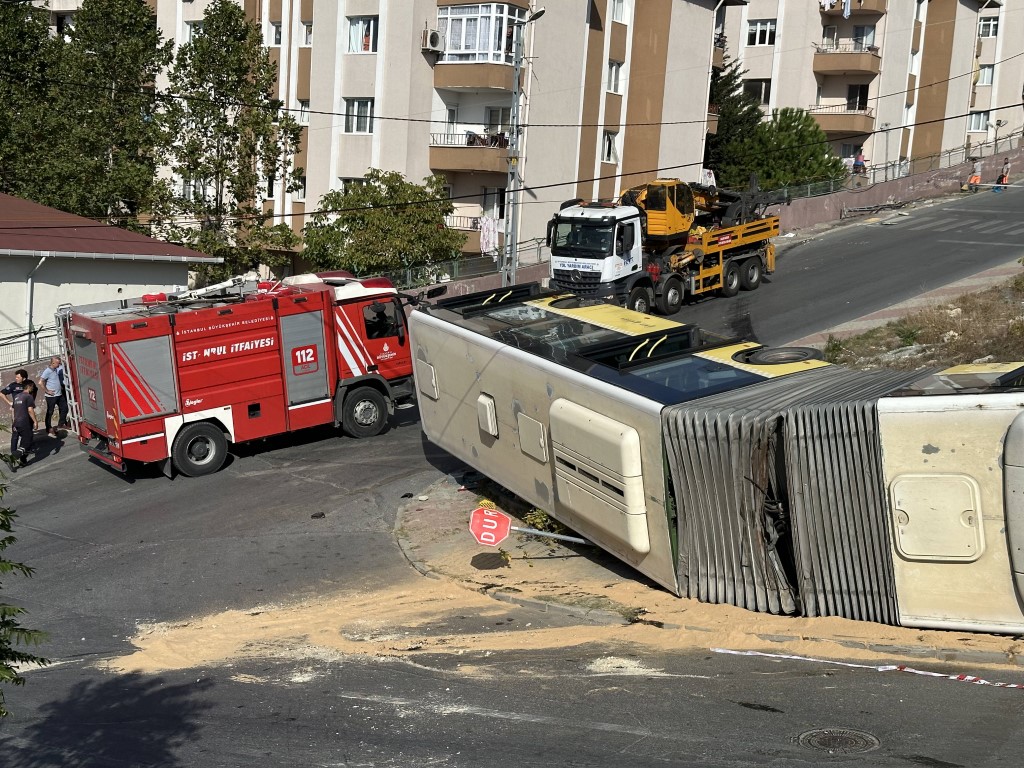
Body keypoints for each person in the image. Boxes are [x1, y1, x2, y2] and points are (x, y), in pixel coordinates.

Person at [8, 381, 38, 471]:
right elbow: (30, 410)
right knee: (27, 442)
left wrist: (14, 422)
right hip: (24, 422)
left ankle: (23, 461)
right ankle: (12, 458)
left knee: (24, 442)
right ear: (29, 386)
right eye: (32, 387)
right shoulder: (28, 396)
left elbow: (13, 410)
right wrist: (35, 421)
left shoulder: (17, 396)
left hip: (16, 422)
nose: (33, 389)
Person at [39, 356, 69, 437]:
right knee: (50, 412)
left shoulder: (55, 369)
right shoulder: (47, 371)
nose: (59, 365)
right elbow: (40, 382)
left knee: (65, 407)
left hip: (59, 394)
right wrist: (47, 391)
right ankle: (48, 428)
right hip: (51, 396)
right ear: (53, 363)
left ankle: (61, 423)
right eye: (57, 363)